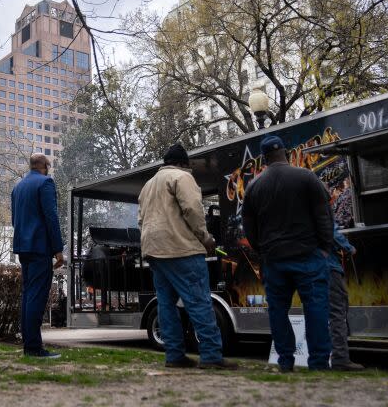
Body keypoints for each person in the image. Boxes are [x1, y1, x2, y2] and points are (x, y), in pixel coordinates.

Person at [138, 144, 237, 370]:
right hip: (181, 249)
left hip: (154, 251)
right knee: (199, 301)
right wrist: (206, 238)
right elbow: (192, 209)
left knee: (166, 306)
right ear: (184, 163)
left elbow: (141, 220)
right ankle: (211, 356)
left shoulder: (147, 185)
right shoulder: (181, 177)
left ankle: (174, 355)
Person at [242, 135, 333, 372]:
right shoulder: (306, 177)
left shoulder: (254, 187)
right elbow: (324, 217)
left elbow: (249, 230)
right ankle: (319, 362)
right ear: (286, 152)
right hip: (308, 255)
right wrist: (324, 248)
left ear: (264, 158)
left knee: (278, 312)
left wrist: (263, 250)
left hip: (274, 259)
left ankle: (285, 361)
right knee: (315, 308)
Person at [11, 153, 64, 359]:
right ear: (44, 165)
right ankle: (34, 347)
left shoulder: (18, 187)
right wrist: (58, 249)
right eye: (48, 165)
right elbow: (51, 217)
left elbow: (15, 220)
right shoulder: (46, 183)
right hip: (40, 247)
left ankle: (29, 344)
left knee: (27, 295)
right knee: (37, 296)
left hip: (23, 247)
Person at [329, 221, 364, 371]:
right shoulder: (317, 201)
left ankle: (318, 358)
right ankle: (340, 358)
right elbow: (330, 229)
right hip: (328, 265)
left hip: (308, 266)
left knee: (318, 313)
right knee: (337, 312)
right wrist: (349, 247)